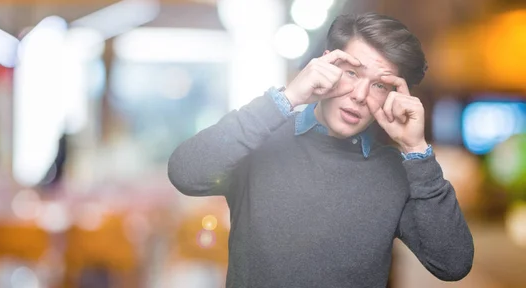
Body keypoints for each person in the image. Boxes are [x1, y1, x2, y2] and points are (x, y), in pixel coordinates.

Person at [167, 12, 474, 287]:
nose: (359, 95)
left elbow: (453, 264)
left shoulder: (396, 171)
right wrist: (286, 98)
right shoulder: (260, 139)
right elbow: (185, 173)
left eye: (380, 85)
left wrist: (417, 150)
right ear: (325, 64)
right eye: (352, 72)